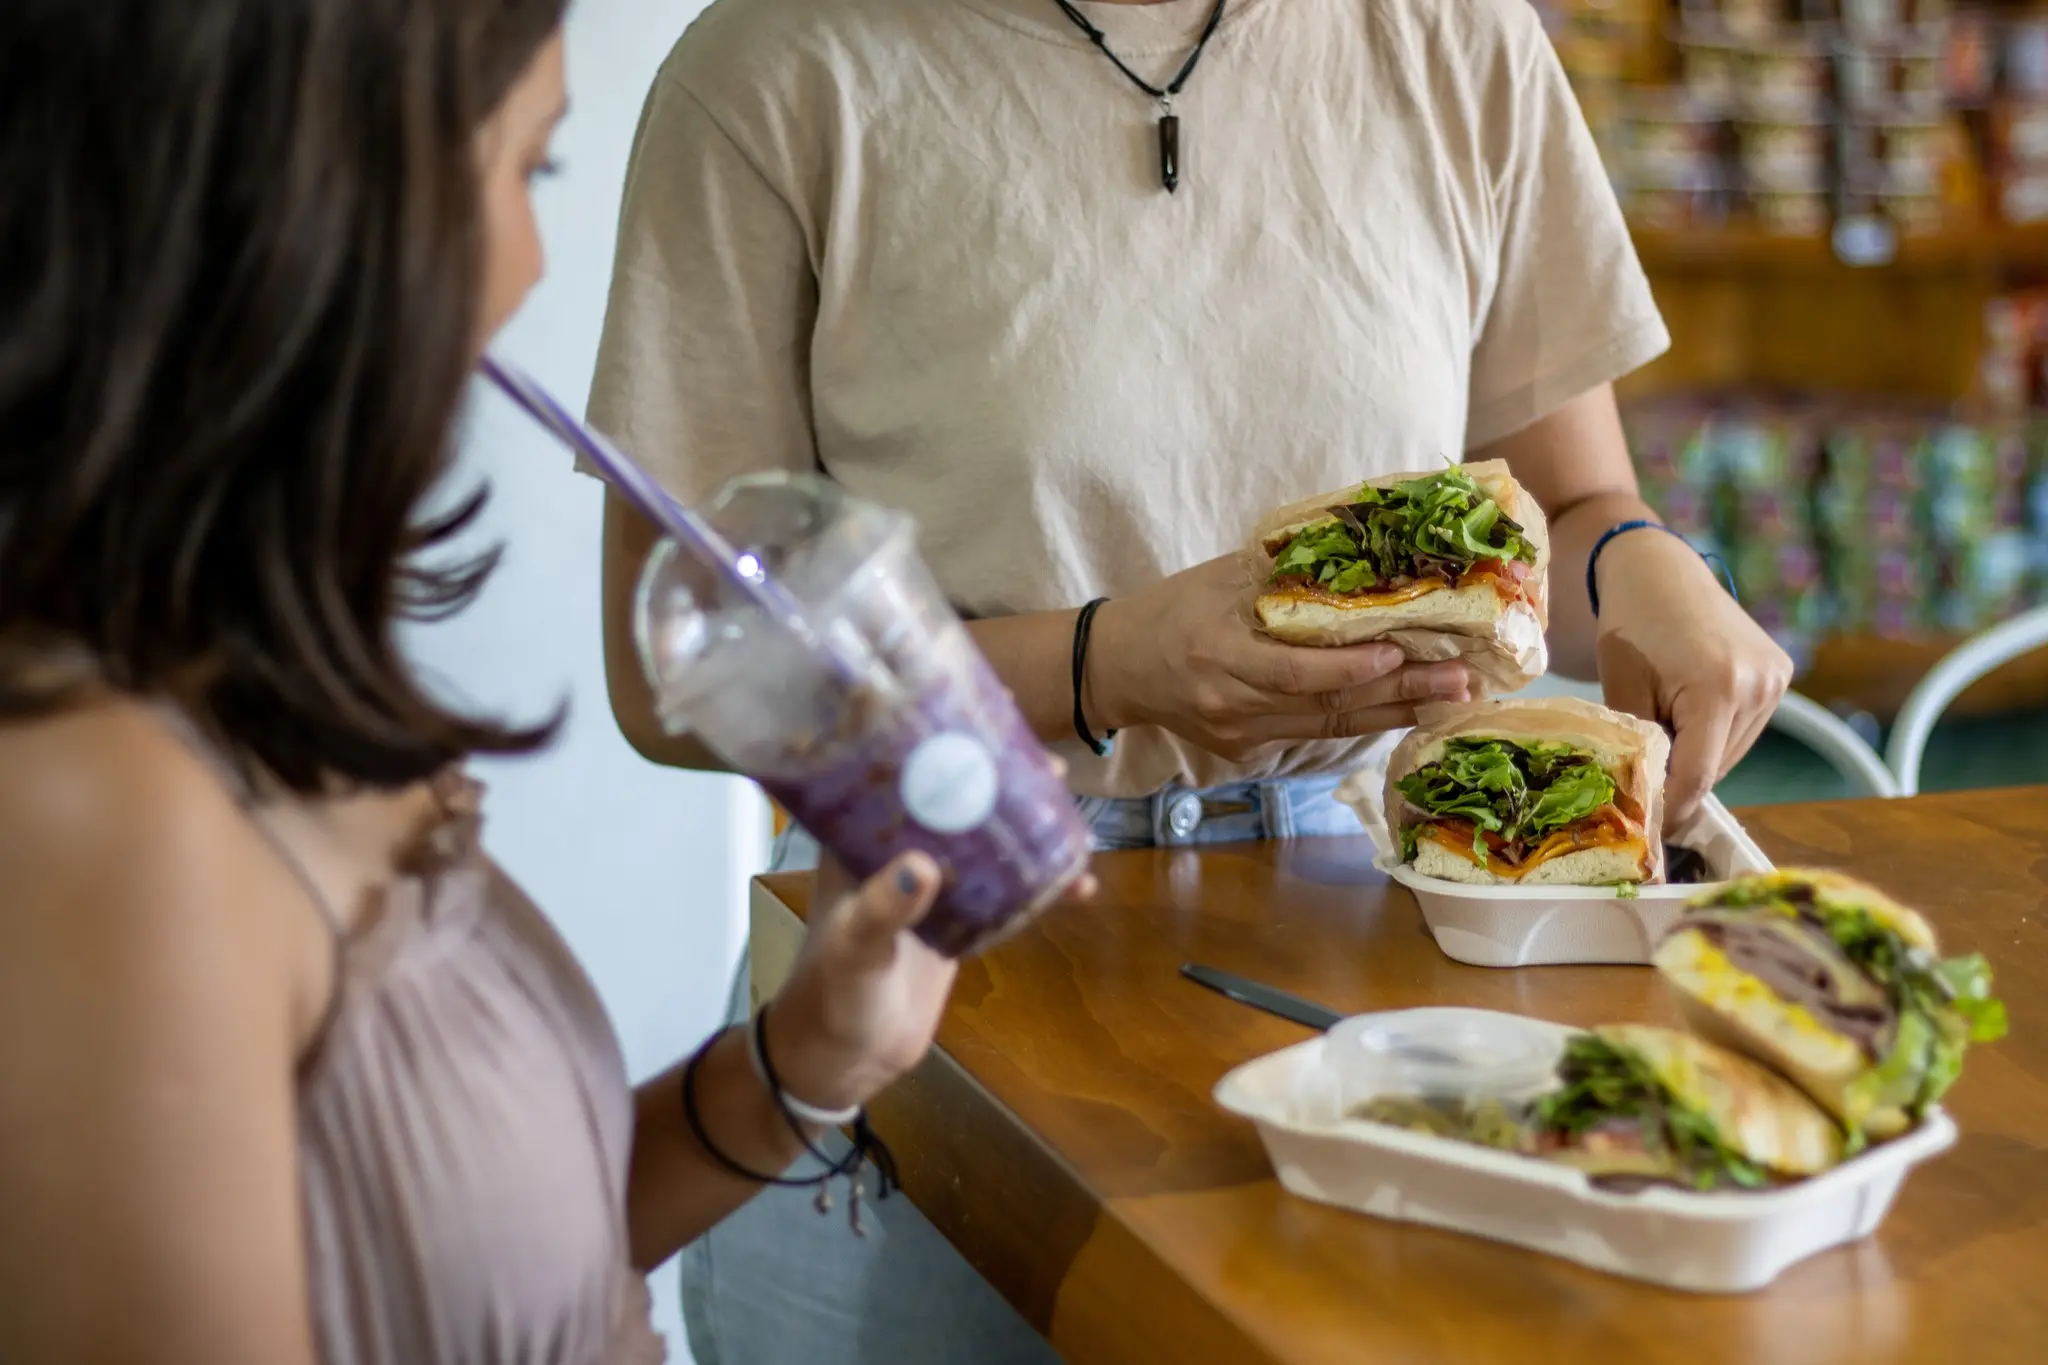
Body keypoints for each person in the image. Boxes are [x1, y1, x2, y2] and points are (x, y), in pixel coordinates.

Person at [585, 0, 1794, 1362]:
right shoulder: (778, 67)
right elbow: (669, 668)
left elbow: (1565, 506)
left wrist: (1639, 565)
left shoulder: (1454, 36)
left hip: (1373, 948)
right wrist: (1108, 665)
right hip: (929, 953)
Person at [0, 2, 1083, 1362]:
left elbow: (474, 1280)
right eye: (527, 170)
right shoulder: (102, 824)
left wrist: (803, 1064)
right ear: (291, 222)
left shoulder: (253, 685)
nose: (525, 265)